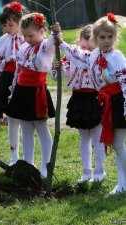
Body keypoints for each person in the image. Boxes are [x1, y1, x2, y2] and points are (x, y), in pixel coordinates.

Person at [56, 13, 126, 195]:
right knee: (117, 144)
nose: (107, 40)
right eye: (102, 37)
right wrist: (61, 43)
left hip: (119, 102)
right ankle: (122, 183)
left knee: (118, 144)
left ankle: (123, 182)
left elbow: (125, 82)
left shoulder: (117, 56)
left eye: (110, 37)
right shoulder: (94, 55)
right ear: (95, 38)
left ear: (115, 37)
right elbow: (77, 55)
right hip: (108, 102)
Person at [51, 25, 106, 184]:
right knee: (83, 138)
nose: (84, 49)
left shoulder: (94, 55)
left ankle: (100, 171)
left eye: (89, 46)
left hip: (94, 98)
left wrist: (62, 43)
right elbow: (59, 76)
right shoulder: (72, 56)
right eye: (82, 45)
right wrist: (57, 68)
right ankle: (86, 172)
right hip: (78, 98)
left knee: (97, 137)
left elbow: (81, 57)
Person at [7, 13, 56, 178]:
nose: (27, 39)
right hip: (22, 92)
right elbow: (18, 71)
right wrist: (13, 90)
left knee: (41, 129)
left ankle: (45, 166)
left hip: (36, 93)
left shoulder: (44, 46)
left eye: (31, 35)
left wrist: (56, 33)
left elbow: (52, 42)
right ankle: (29, 165)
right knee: (26, 129)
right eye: (25, 35)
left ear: (42, 31)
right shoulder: (23, 47)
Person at [0, 2, 25, 165]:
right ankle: (14, 156)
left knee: (26, 120)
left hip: (24, 79)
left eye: (10, 24)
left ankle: (28, 158)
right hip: (7, 78)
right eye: (4, 25)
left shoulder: (28, 37)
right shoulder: (3, 40)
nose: (7, 28)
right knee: (12, 120)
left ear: (20, 22)